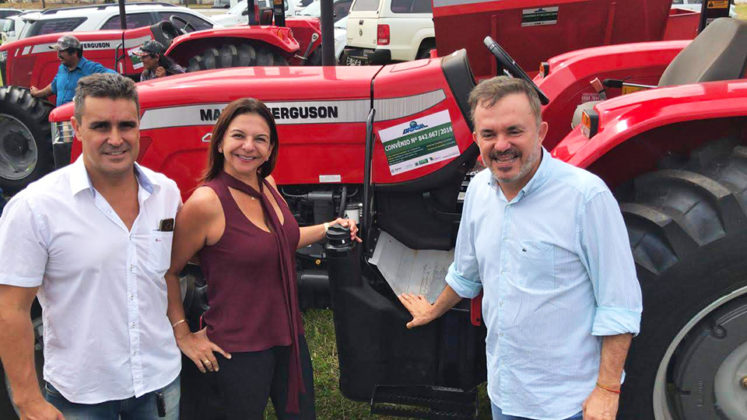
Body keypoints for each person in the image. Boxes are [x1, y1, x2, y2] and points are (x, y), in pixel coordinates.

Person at [398, 76, 642, 420]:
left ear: (541, 132)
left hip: (568, 404)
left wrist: (607, 389)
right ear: (475, 140)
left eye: (514, 131)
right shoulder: (480, 190)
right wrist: (434, 310)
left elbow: (620, 304)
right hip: (506, 392)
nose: (501, 145)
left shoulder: (586, 198)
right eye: (489, 134)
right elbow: (467, 273)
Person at [0, 73, 182, 419]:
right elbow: (10, 309)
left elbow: (172, 272)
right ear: (77, 128)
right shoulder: (35, 208)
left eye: (126, 125)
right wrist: (27, 400)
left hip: (159, 384)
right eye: (100, 127)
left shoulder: (166, 193)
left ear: (140, 125)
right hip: (79, 396)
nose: (116, 139)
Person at [164, 97, 360, 420]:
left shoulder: (266, 183)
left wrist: (328, 228)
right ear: (221, 141)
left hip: (288, 338)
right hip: (236, 351)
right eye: (239, 135)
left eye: (260, 139)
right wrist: (182, 335)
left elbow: (283, 240)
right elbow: (170, 270)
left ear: (270, 149)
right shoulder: (206, 202)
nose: (248, 147)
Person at [30, 35, 116, 107]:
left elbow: (116, 78)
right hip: (62, 122)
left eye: (61, 51)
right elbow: (54, 86)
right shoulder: (62, 69)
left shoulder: (91, 68)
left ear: (74, 52)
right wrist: (38, 93)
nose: (58, 55)